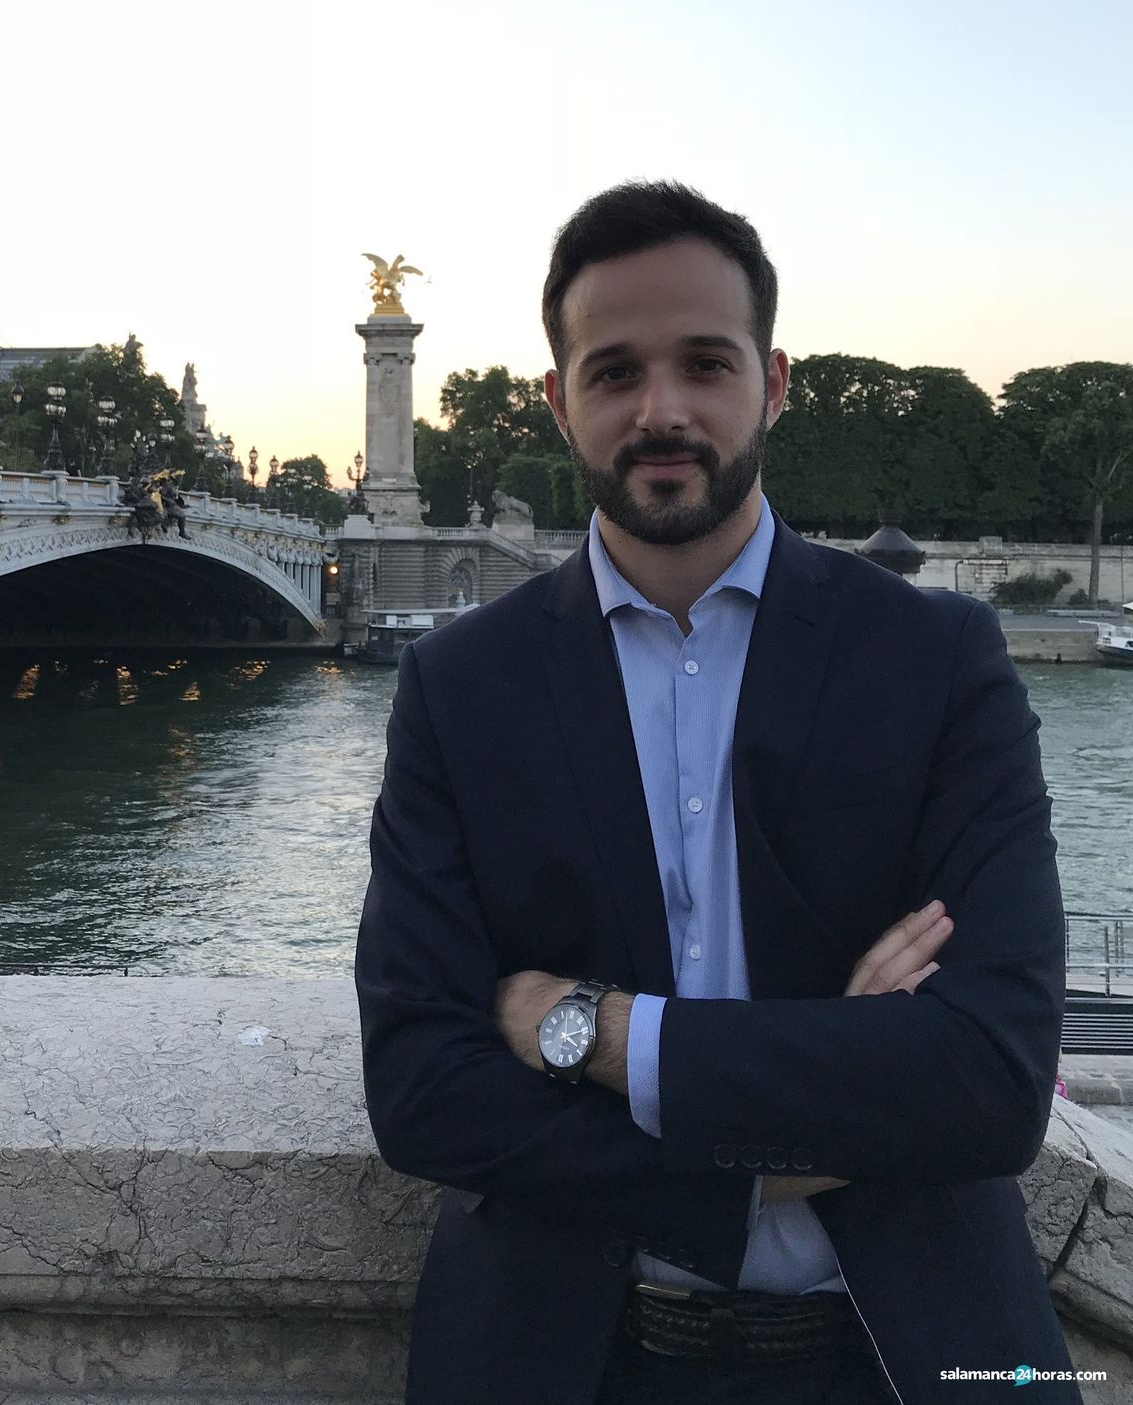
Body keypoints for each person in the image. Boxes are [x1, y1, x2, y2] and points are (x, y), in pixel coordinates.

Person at [354, 182, 1074, 1404]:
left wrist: (594, 1030)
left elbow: (991, 1083)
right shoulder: (456, 687)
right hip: (561, 1358)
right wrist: (824, 1109)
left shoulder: (940, 659)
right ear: (558, 400)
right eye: (615, 370)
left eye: (704, 362)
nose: (663, 410)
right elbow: (424, 1094)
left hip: (922, 1353)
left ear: (774, 381)